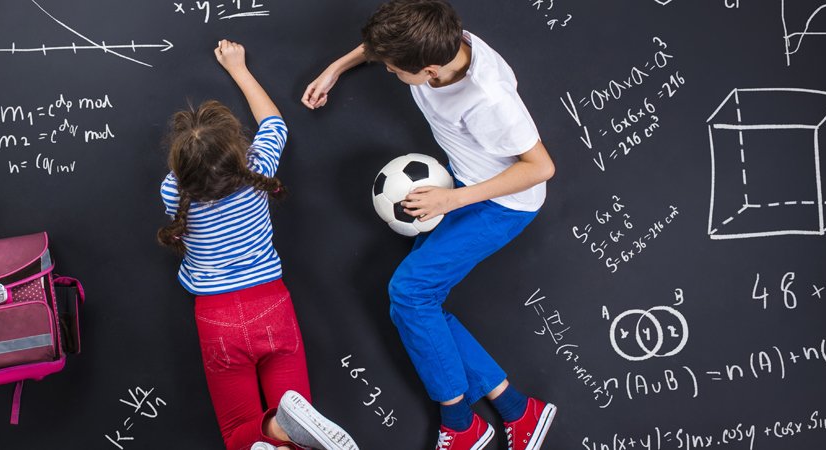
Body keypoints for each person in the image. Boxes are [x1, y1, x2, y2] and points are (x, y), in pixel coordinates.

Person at [301, 2, 557, 449]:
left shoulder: (492, 101)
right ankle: (517, 409)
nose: (389, 73)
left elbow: (540, 167)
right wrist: (336, 69)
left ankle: (460, 424)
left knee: (409, 294)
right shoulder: (437, 38)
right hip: (464, 182)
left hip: (503, 203)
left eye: (396, 71)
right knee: (416, 300)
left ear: (431, 70)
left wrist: (451, 198)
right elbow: (384, 46)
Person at [158, 39, 359, 450]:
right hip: (271, 306)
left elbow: (187, 176)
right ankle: (282, 430)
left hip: (216, 319)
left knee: (238, 434)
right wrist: (238, 68)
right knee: (297, 411)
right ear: (239, 153)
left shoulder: (172, 192)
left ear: (180, 168)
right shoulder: (257, 171)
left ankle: (272, 433)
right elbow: (274, 124)